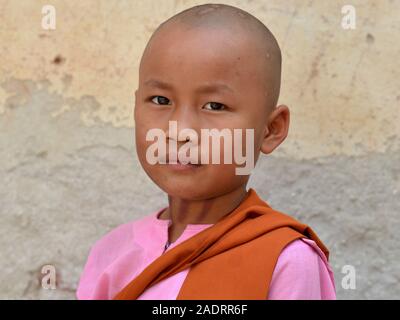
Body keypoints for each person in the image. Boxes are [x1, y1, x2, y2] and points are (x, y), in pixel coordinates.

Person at [76, 3, 336, 300]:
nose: (180, 130)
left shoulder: (284, 260)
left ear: (272, 129)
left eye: (215, 106)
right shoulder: (111, 253)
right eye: (160, 100)